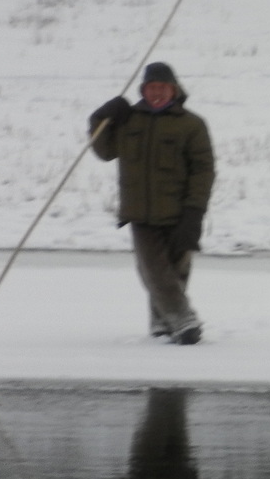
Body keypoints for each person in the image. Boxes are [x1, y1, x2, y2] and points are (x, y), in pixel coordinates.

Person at [89, 63, 215, 344]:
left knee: (175, 272)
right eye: (151, 87)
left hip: (180, 211)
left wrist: (195, 211)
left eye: (162, 87)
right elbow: (104, 150)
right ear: (143, 90)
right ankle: (184, 320)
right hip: (141, 213)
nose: (156, 92)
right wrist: (100, 118)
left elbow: (203, 170)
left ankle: (161, 325)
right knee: (155, 272)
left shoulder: (192, 124)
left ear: (174, 89)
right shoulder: (128, 121)